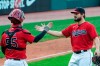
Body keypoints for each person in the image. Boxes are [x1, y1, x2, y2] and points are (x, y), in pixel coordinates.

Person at [35, 7, 100, 66]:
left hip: (85, 55)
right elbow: (60, 34)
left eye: (76, 14)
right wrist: (46, 30)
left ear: (83, 14)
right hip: (74, 55)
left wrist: (97, 49)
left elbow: (95, 38)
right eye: (74, 14)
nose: (74, 15)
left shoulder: (89, 26)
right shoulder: (72, 27)